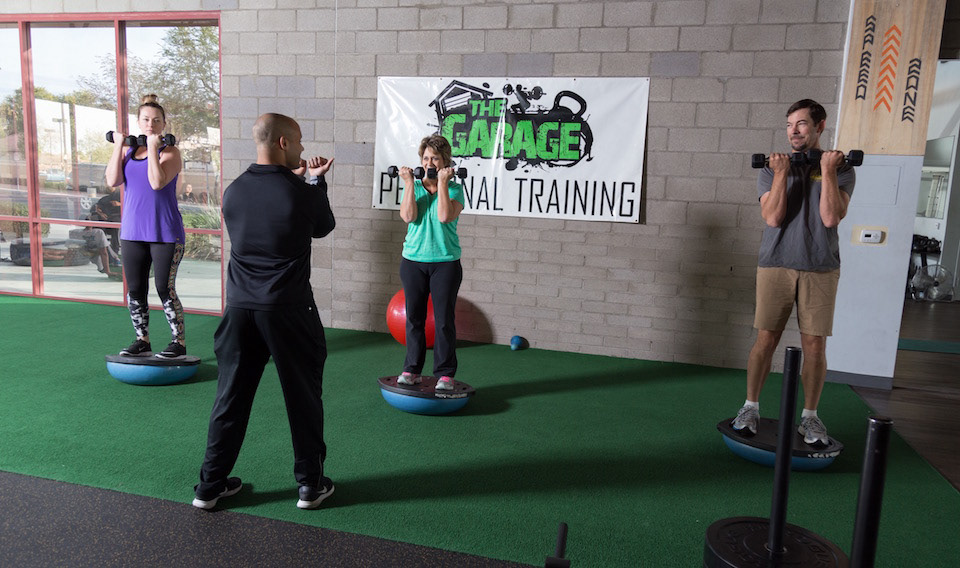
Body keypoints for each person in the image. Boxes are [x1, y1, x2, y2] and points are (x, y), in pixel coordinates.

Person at [193, 113, 335, 511]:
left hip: (239, 309)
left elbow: (267, 221)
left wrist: (301, 182)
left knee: (230, 398)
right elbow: (322, 226)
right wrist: (316, 181)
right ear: (283, 142)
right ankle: (310, 486)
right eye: (299, 141)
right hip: (288, 310)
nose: (303, 149)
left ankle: (209, 487)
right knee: (303, 397)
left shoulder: (234, 191)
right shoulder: (300, 191)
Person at [731, 99, 856, 446]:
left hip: (821, 267)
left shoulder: (842, 168)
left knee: (814, 344)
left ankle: (810, 417)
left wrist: (827, 170)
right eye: (789, 125)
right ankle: (750, 408)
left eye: (801, 124)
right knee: (766, 338)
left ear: (820, 126)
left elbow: (830, 217)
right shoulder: (771, 168)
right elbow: (772, 218)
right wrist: (782, 173)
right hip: (776, 264)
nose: (793, 131)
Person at [105, 94, 187, 359]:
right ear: (138, 122)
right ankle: (142, 340)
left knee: (165, 288)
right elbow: (112, 180)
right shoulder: (128, 152)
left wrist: (153, 148)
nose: (151, 124)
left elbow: (156, 182)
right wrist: (118, 146)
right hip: (132, 232)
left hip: (165, 232)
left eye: (156, 120)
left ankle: (178, 343)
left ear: (163, 124)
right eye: (146, 119)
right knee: (136, 290)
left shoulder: (170, 152)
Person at [395, 135, 465, 391]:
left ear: (445, 161)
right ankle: (412, 370)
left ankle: (445, 374)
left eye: (435, 158)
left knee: (444, 320)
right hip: (413, 262)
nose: (429, 163)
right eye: (425, 158)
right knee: (414, 319)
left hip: (445, 263)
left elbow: (444, 216)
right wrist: (409, 184)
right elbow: (408, 217)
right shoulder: (413, 186)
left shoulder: (455, 189)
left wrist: (443, 183)